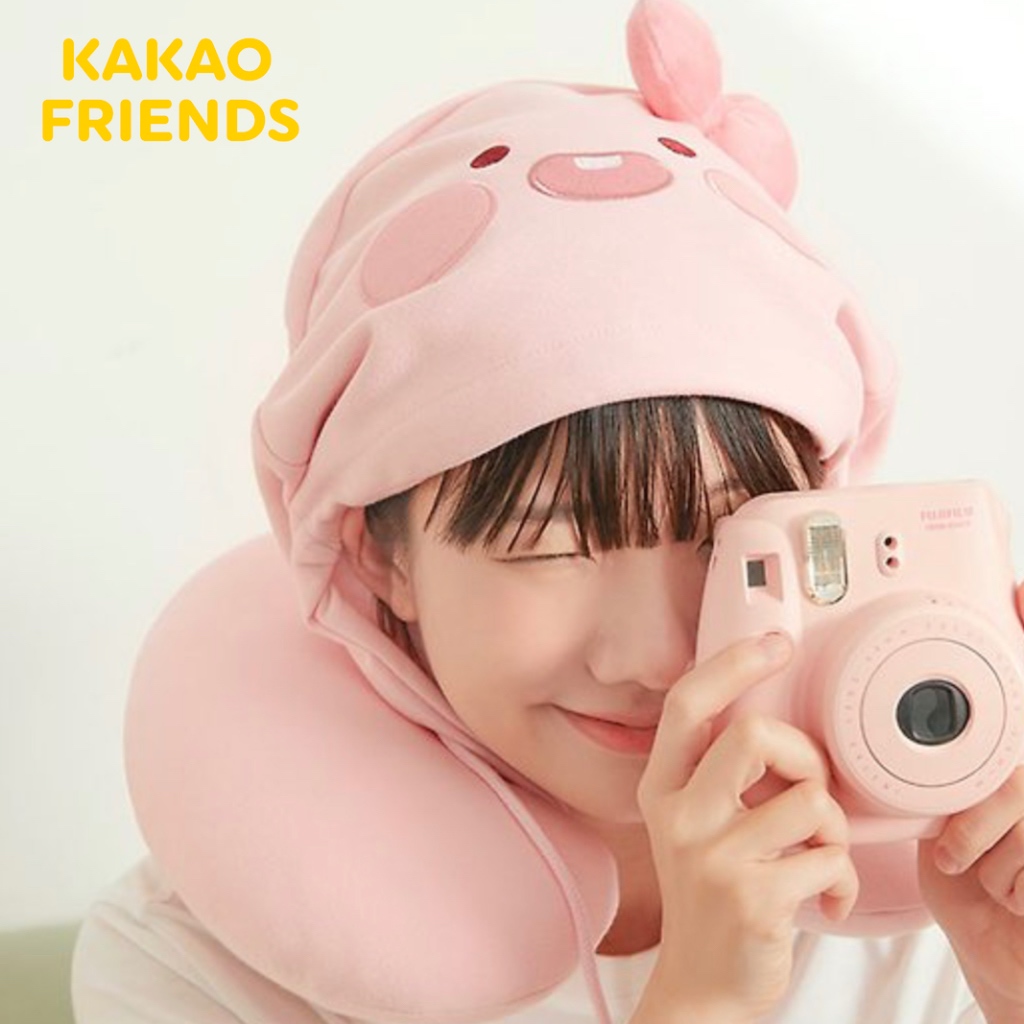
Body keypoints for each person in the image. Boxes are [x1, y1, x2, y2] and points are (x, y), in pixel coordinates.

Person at [71, 1, 1024, 1022]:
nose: (657, 656)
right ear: (378, 553)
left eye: (725, 541)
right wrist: (701, 999)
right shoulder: (182, 965)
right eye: (551, 543)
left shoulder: (953, 897)